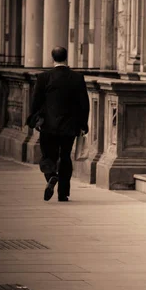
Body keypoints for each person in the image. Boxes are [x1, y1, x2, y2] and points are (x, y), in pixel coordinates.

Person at [27, 46, 89, 202]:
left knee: (48, 156)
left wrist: (32, 119)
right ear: (66, 57)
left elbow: (35, 102)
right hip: (70, 126)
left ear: (52, 58)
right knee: (66, 156)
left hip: (48, 126)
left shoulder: (43, 78)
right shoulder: (77, 78)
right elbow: (84, 104)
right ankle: (63, 193)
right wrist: (83, 124)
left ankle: (52, 176)